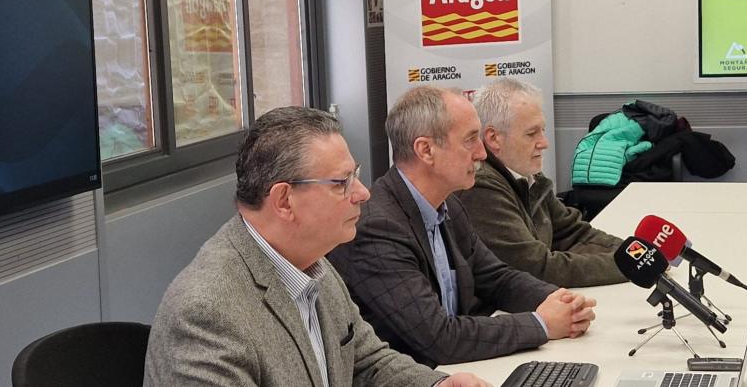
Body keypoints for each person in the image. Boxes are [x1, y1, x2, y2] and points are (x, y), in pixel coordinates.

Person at [144, 106, 490, 387]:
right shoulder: (206, 312)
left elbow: (366, 362)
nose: (363, 193)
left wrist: (437, 386)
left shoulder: (313, 264)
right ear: (284, 200)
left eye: (355, 175)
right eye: (342, 183)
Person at [329, 86, 597, 367]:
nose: (482, 153)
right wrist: (542, 324)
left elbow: (496, 278)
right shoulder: (378, 228)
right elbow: (439, 340)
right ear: (426, 150)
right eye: (470, 140)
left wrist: (561, 302)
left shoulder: (449, 205)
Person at [457, 78, 627, 287]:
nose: (544, 143)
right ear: (493, 138)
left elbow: (572, 233)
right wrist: (629, 265)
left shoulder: (527, 174)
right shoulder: (480, 187)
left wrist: (634, 252)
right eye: (531, 134)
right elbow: (537, 269)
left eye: (543, 130)